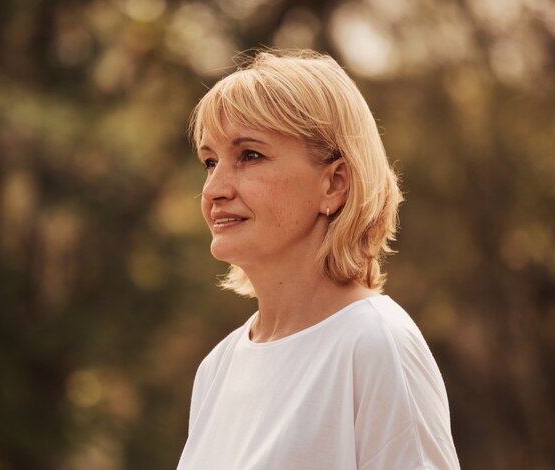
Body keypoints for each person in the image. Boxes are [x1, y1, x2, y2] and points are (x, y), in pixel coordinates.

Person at [177, 49, 460, 470]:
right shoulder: (217, 368)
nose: (214, 188)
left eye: (249, 155)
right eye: (210, 161)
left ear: (335, 184)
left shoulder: (377, 345)